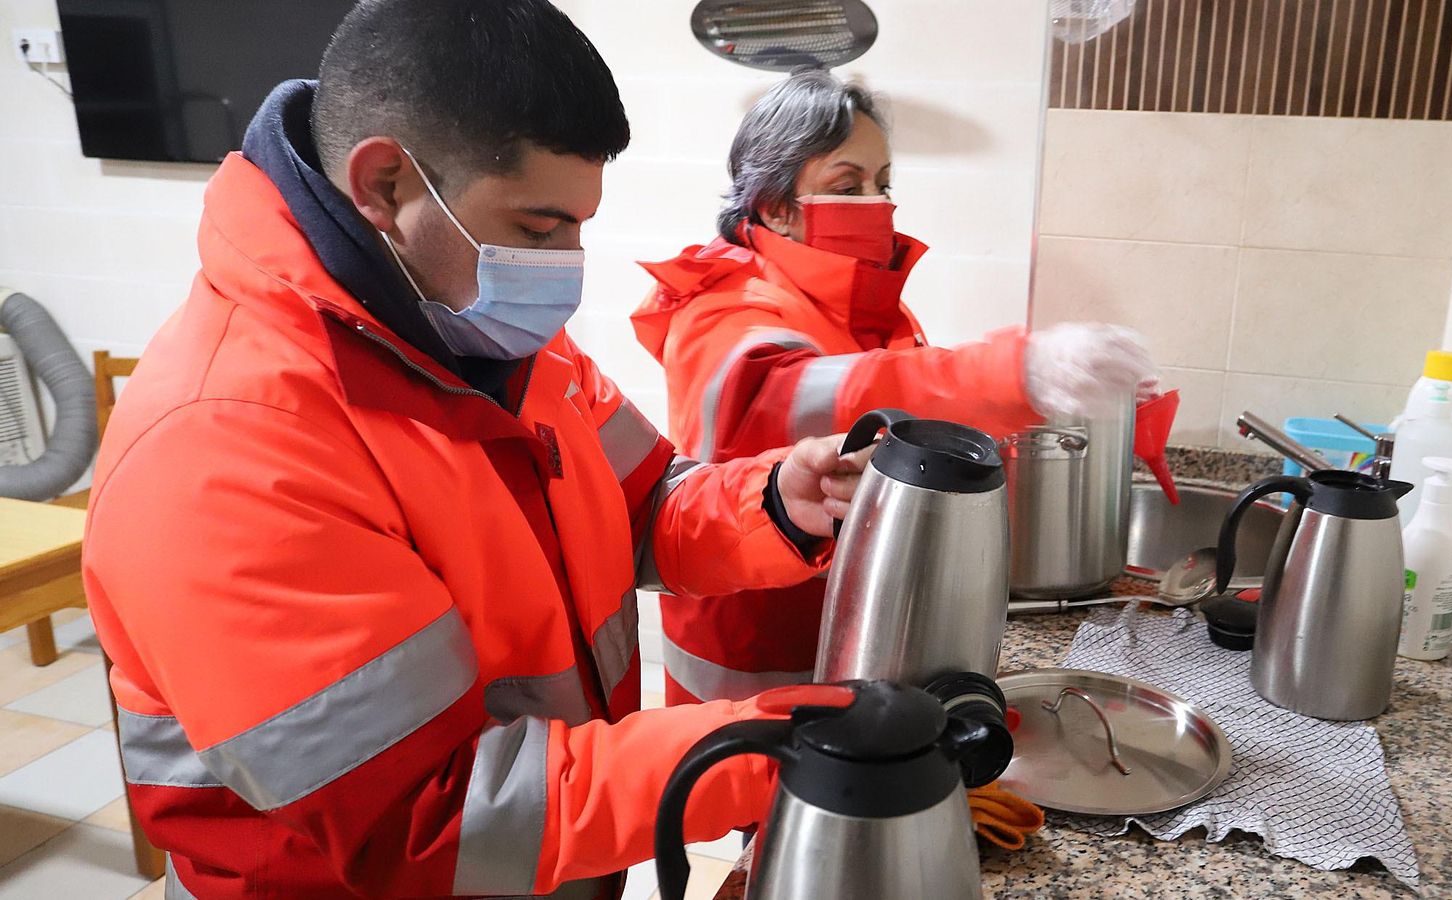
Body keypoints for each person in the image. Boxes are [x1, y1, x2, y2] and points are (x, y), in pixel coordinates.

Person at [81, 4, 870, 897]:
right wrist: (782, 746)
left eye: (579, 225)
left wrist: (777, 501)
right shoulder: (227, 448)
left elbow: (645, 504)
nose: (567, 265)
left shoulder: (482, 336)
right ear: (385, 184)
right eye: (538, 230)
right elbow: (433, 820)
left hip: (547, 864)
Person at [633, 70, 1158, 706]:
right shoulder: (721, 303)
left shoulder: (861, 300)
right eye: (846, 186)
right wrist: (1016, 371)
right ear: (775, 207)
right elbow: (794, 406)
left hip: (846, 629)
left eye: (883, 184)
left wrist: (1067, 394)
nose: (876, 204)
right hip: (754, 658)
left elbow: (912, 404)